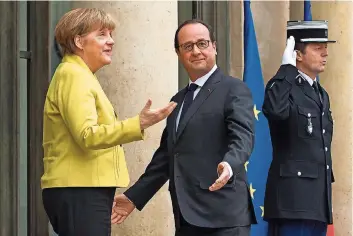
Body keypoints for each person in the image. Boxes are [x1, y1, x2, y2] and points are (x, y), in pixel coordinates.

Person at [111, 19, 257, 236]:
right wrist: (134, 197)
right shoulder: (178, 100)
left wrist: (229, 164)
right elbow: (166, 158)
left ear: (214, 47)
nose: (196, 51)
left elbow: (243, 136)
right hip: (186, 218)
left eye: (202, 43)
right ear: (178, 54)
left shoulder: (233, 89)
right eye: (188, 46)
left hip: (224, 218)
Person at [41, 8, 176, 236]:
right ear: (79, 41)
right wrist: (138, 123)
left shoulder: (81, 75)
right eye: (102, 34)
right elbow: (88, 135)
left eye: (111, 34)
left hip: (82, 189)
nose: (111, 41)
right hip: (79, 190)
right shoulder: (73, 75)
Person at [262, 20, 336, 236]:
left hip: (317, 203)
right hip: (291, 203)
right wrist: (286, 69)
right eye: (317, 48)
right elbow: (275, 110)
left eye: (325, 48)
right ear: (298, 54)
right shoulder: (282, 86)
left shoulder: (320, 94)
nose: (325, 54)